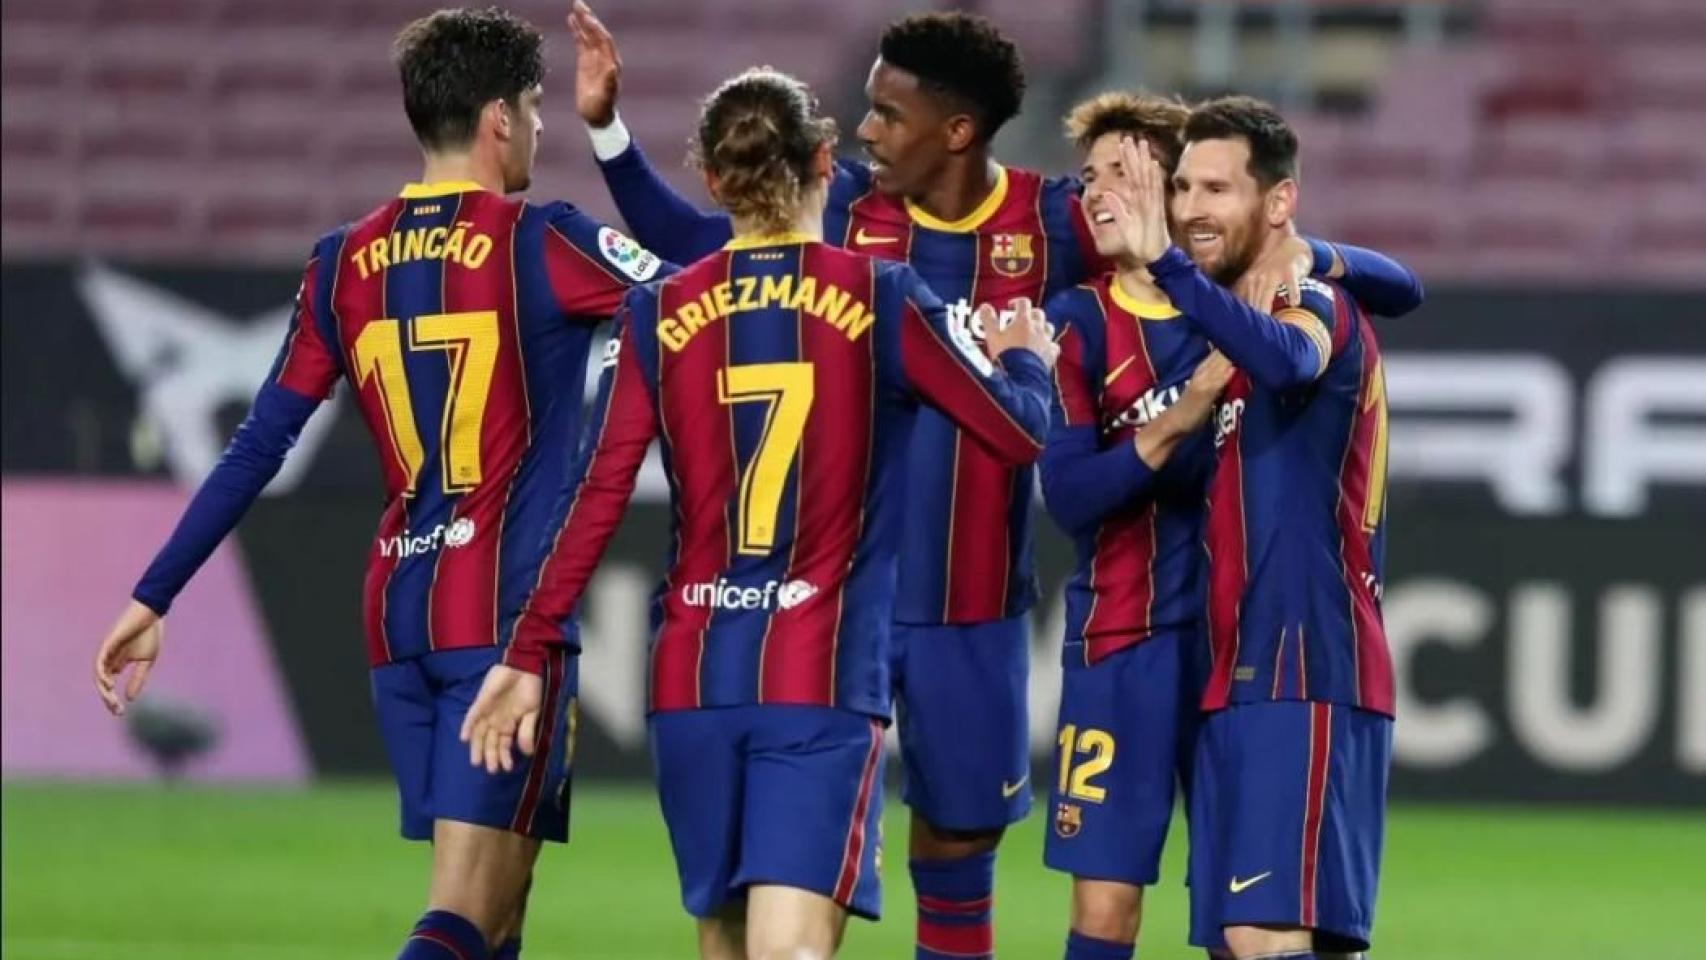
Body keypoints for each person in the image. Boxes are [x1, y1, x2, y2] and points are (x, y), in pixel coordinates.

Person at [565, 8, 1422, 955]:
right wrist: (608, 134)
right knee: (800, 880)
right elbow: (694, 243)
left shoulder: (1052, 221)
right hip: (843, 602)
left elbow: (1360, 278)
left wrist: (1314, 258)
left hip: (974, 598)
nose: (866, 130)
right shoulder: (843, 211)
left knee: (959, 840)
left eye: (889, 112)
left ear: (957, 129)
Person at [88, 9, 669, 959]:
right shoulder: (547, 241)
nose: (537, 128)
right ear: (496, 120)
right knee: (463, 918)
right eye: (530, 108)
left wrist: (155, 593)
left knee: (500, 912)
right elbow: (712, 306)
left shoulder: (343, 262)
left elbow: (257, 445)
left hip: (402, 614)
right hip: (504, 620)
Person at [457, 67, 1058, 960]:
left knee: (726, 941)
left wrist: (526, 648)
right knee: (791, 949)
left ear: (711, 180)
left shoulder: (659, 309)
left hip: (694, 680)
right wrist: (1028, 361)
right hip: (817, 678)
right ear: (825, 159)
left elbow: (595, 494)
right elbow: (1015, 435)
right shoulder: (878, 295)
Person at [1110, 96, 1396, 960]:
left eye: (1218, 189)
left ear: (1277, 203)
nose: (1193, 208)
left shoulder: (1313, 304)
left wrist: (1168, 265)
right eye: (1184, 188)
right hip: (1237, 674)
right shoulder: (1228, 336)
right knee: (1252, 943)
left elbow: (1293, 358)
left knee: (1262, 935)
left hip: (1305, 660)